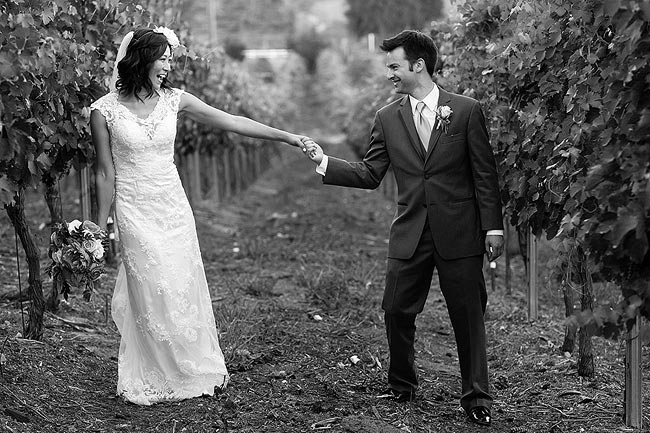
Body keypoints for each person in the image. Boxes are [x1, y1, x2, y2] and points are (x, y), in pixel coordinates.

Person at [90, 27, 308, 405]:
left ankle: (189, 366)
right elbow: (105, 172)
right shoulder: (103, 110)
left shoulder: (177, 100)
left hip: (173, 206)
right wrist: (98, 223)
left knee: (179, 283)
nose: (169, 67)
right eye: (164, 59)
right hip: (134, 208)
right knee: (149, 287)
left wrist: (287, 137)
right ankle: (155, 372)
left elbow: (234, 121)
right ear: (143, 60)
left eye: (170, 59)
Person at [302, 30, 504, 427]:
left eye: (394, 66)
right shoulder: (387, 117)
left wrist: (493, 228)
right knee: (395, 309)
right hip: (410, 231)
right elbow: (371, 172)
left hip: (460, 232)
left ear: (419, 66)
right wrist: (325, 161)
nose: (389, 74)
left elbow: (485, 174)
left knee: (468, 315)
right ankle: (402, 385)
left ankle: (477, 396)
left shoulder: (465, 111)